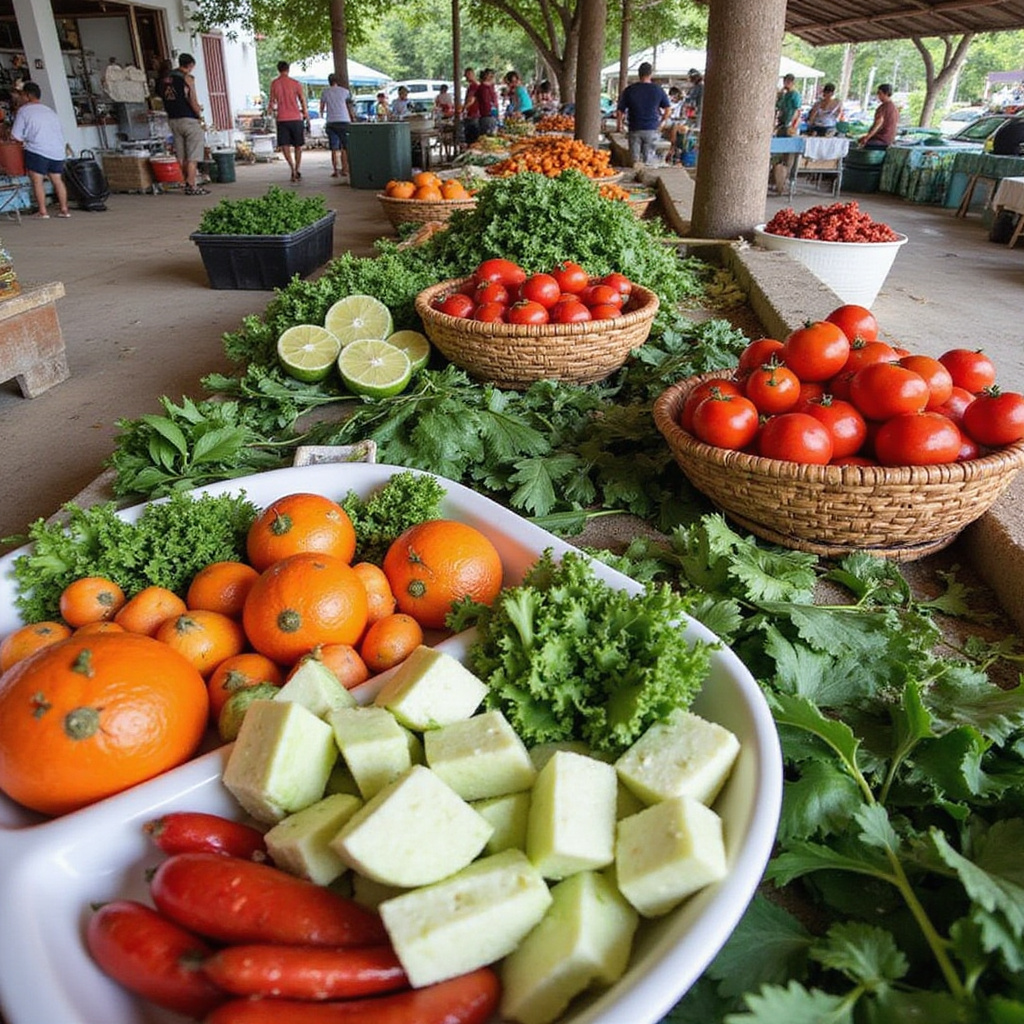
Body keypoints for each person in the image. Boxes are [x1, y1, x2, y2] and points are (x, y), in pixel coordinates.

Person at [10, 81, 70, 218]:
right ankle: (64, 209)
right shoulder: (49, 111)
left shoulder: (24, 111)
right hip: (57, 151)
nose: (20, 98)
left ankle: (43, 211)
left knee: (37, 181)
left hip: (37, 150)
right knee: (57, 180)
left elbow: (15, 136)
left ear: (27, 96)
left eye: (22, 95)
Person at [157, 53, 209, 196]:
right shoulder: (187, 78)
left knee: (181, 155)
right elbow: (192, 99)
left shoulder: (165, 79)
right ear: (191, 65)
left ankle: (183, 181)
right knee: (193, 155)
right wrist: (199, 113)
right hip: (188, 119)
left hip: (173, 119)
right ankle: (191, 185)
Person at [615, 61, 671, 166]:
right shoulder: (658, 90)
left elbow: (620, 111)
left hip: (634, 128)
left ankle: (636, 173)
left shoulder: (629, 90)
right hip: (651, 128)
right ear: (651, 74)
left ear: (638, 74)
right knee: (649, 160)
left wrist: (619, 125)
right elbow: (668, 109)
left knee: (634, 161)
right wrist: (662, 122)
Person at [269, 60, 309, 181]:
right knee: (298, 145)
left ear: (278, 69)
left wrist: (270, 110)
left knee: (284, 145)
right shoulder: (296, 83)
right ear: (288, 69)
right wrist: (305, 112)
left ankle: (291, 167)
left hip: (282, 118)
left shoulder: (275, 84)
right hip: (296, 117)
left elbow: (272, 101)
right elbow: (302, 99)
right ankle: (297, 169)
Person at [772, 73, 803, 194]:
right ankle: (776, 180)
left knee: (788, 156)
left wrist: (793, 126)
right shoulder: (784, 95)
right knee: (778, 154)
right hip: (781, 124)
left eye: (788, 82)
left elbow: (797, 111)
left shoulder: (795, 95)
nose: (786, 84)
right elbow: (778, 107)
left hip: (790, 125)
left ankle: (786, 180)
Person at [319, 72, 354, 179]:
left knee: (334, 148)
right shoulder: (345, 92)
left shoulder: (325, 92)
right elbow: (349, 106)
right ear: (337, 81)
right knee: (345, 147)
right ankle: (345, 169)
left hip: (331, 121)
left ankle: (335, 170)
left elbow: (321, 107)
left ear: (328, 81)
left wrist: (322, 114)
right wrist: (352, 117)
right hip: (344, 120)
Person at [860, 83, 899, 149]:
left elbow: (877, 124)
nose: (878, 95)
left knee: (859, 143)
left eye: (879, 93)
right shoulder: (895, 108)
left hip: (881, 139)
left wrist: (867, 137)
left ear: (886, 93)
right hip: (889, 140)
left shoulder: (883, 108)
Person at [476, 69, 499, 136]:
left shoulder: (489, 88)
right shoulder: (483, 88)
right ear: (488, 77)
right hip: (488, 117)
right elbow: (488, 103)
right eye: (493, 76)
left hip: (491, 117)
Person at [462, 68, 480, 144]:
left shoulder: (474, 86)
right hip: (473, 115)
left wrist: (462, 108)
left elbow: (471, 100)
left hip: (473, 115)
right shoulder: (473, 86)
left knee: (471, 140)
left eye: (466, 76)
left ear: (471, 74)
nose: (466, 78)